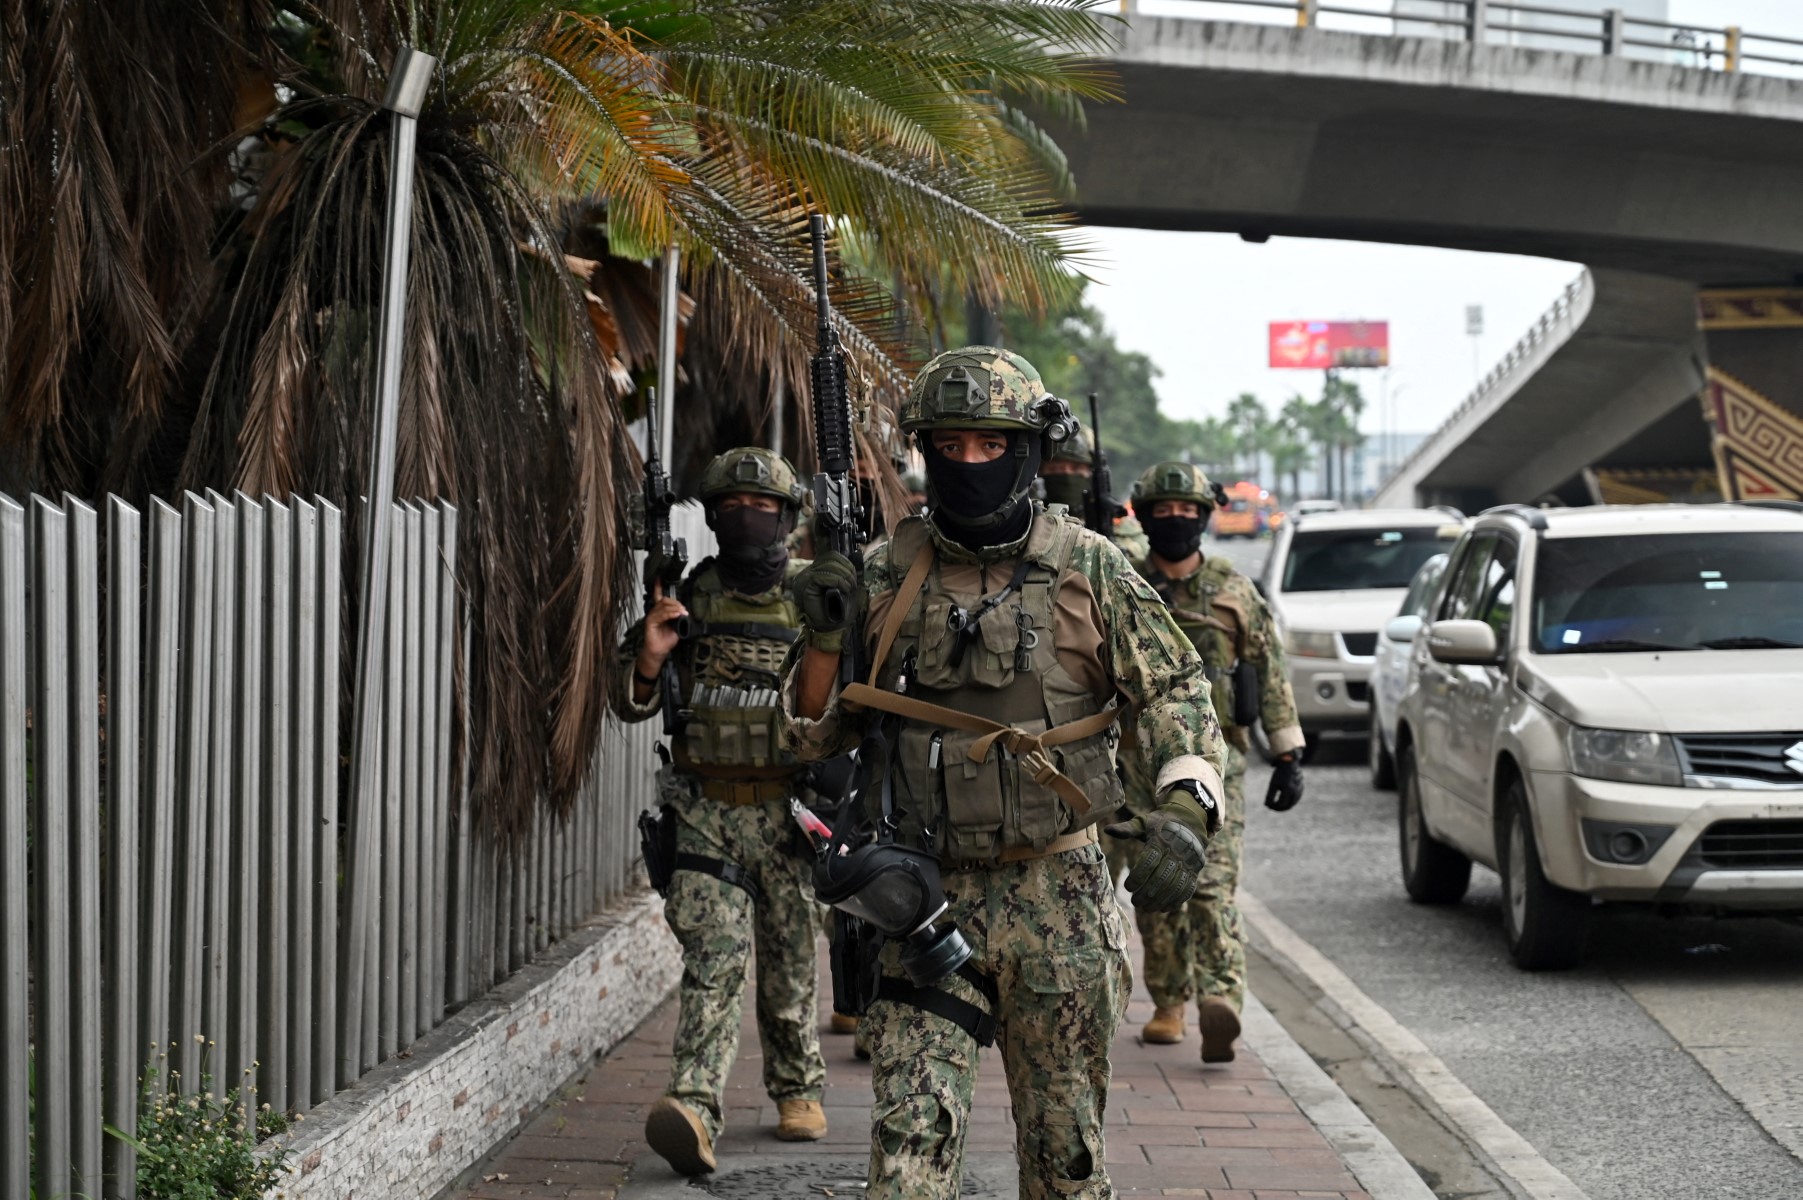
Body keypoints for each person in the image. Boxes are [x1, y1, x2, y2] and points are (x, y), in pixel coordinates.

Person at [783, 347, 1228, 1199]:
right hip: (920, 904)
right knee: (904, 1170)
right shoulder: (881, 571)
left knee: (1064, 1164)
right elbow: (809, 736)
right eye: (949, 446)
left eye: (992, 446)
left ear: (1026, 451)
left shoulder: (1088, 565)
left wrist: (1187, 804)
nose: (970, 465)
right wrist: (824, 636)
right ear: (923, 451)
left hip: (1054, 897)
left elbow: (1173, 687)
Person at [615, 447, 829, 1175]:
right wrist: (649, 656)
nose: (747, 522)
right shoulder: (686, 597)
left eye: (762, 509)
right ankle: (694, 1105)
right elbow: (629, 700)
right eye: (731, 510)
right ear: (711, 519)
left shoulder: (813, 598)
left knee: (790, 965)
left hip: (792, 814)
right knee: (713, 961)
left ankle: (798, 1086)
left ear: (789, 519)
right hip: (704, 809)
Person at [1111, 461, 1305, 1064]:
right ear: (1144, 517)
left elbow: (1268, 670)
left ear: (1205, 515)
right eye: (1162, 512)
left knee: (1213, 886)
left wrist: (1288, 752)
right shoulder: (1123, 587)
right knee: (1157, 885)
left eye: (1187, 511)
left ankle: (1221, 999)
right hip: (1139, 762)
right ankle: (1168, 1002)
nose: (1176, 521)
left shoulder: (1234, 590)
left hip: (1220, 763)